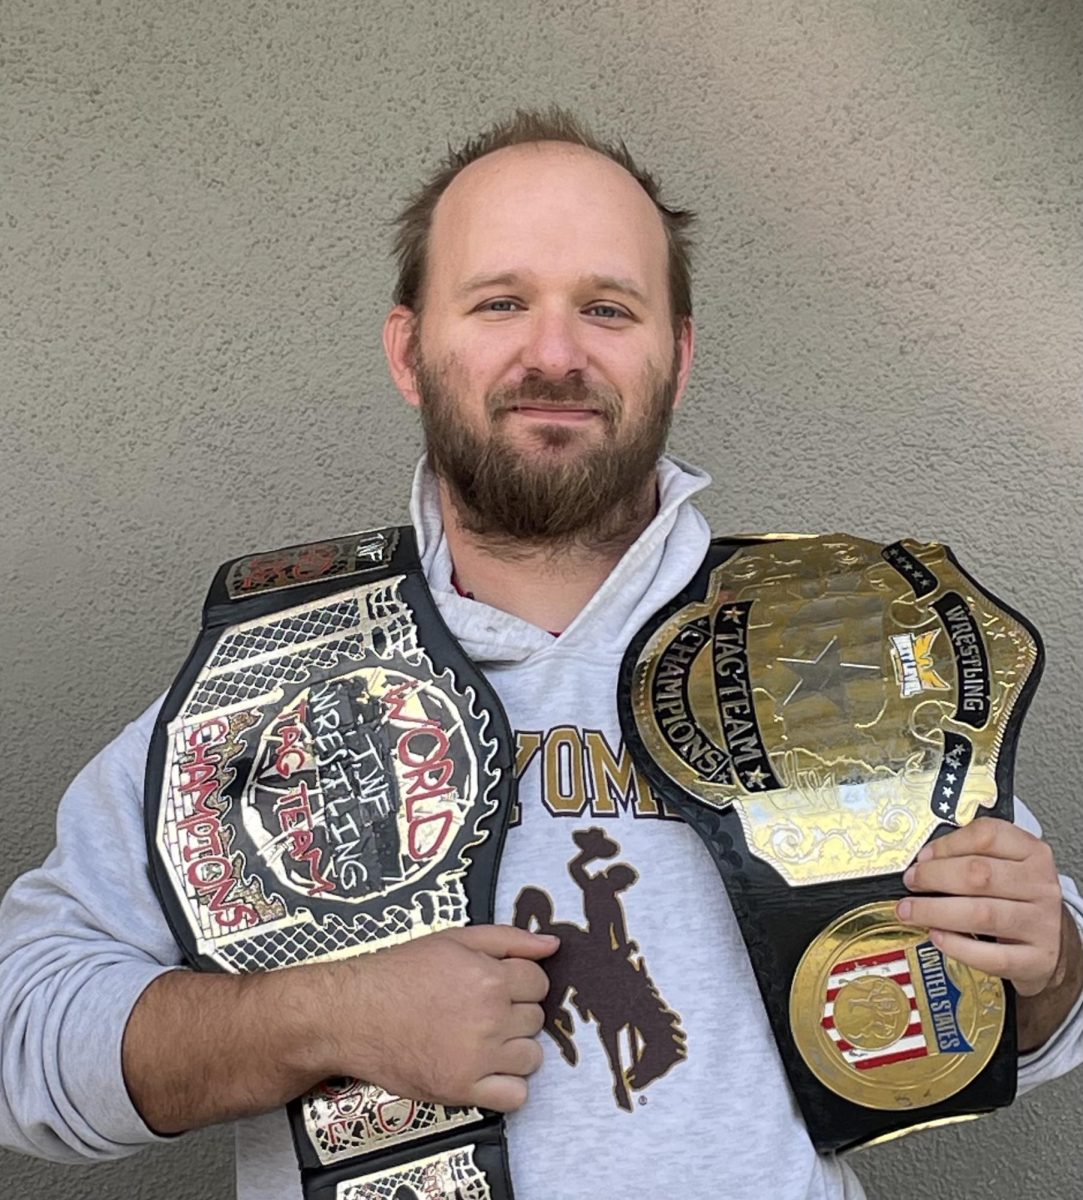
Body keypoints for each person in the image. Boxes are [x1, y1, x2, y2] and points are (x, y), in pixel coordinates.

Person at [1, 108, 1081, 1200]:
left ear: (681, 353)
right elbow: (22, 1037)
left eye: (607, 308)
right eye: (501, 302)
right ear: (410, 349)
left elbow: (1038, 1003)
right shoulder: (271, 684)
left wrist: (1043, 968)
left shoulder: (830, 641)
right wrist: (324, 1014)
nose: (554, 353)